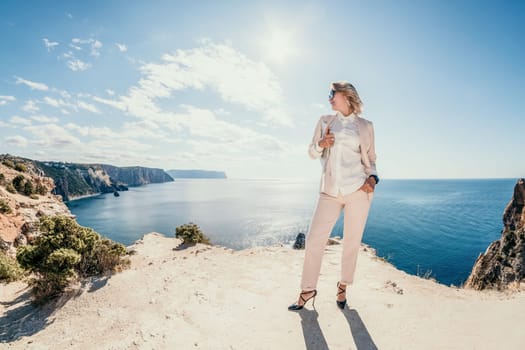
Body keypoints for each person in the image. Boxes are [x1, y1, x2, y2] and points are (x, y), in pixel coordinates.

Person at [288, 81, 378, 311]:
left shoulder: (366, 126)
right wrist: (321, 143)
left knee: (351, 242)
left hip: (358, 190)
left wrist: (372, 179)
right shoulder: (325, 121)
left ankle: (343, 286)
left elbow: (371, 159)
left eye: (332, 93)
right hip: (330, 191)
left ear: (346, 96)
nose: (329, 97)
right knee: (314, 239)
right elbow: (311, 152)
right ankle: (308, 289)